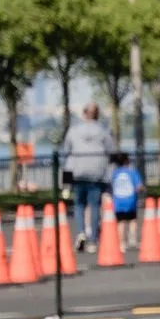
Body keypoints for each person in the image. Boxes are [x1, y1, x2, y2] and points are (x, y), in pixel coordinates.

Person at [62, 100, 115, 252]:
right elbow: (111, 150)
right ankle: (92, 241)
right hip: (96, 173)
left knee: (79, 204)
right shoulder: (103, 131)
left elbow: (66, 151)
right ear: (97, 115)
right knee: (94, 206)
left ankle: (81, 232)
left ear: (84, 114)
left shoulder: (73, 130)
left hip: (77, 171)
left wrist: (66, 179)